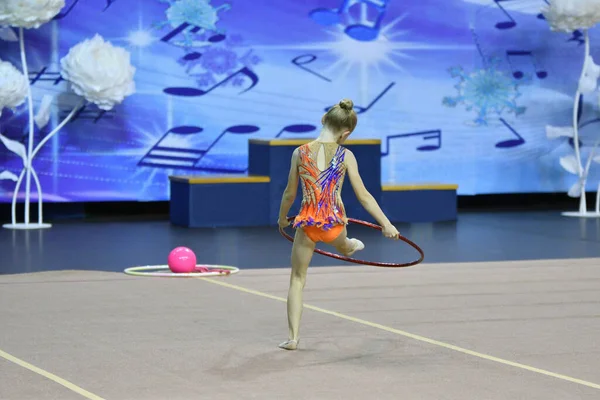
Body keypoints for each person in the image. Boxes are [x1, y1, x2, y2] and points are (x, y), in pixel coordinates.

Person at [277, 98, 400, 350]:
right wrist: (386, 224)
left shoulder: (299, 152)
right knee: (344, 247)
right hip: (333, 224)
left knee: (297, 279)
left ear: (323, 120)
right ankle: (350, 244)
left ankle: (293, 337)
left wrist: (281, 218)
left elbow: (289, 193)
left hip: (307, 224)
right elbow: (364, 195)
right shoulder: (346, 155)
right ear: (346, 133)